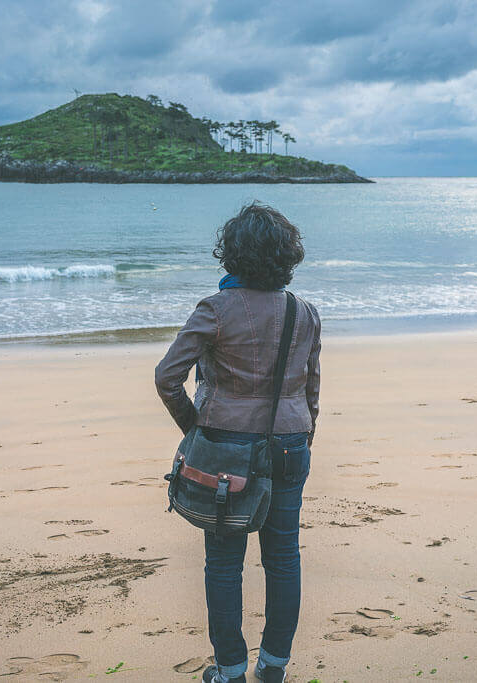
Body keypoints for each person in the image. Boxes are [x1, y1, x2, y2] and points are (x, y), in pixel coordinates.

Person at [155, 202, 322, 683]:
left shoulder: (216, 308)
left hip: (227, 446)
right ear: (286, 257)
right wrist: (300, 437)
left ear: (231, 254)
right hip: (291, 443)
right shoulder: (304, 312)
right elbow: (311, 391)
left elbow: (168, 378)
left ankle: (229, 670)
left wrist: (195, 430)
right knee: (283, 556)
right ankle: (274, 666)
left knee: (225, 563)